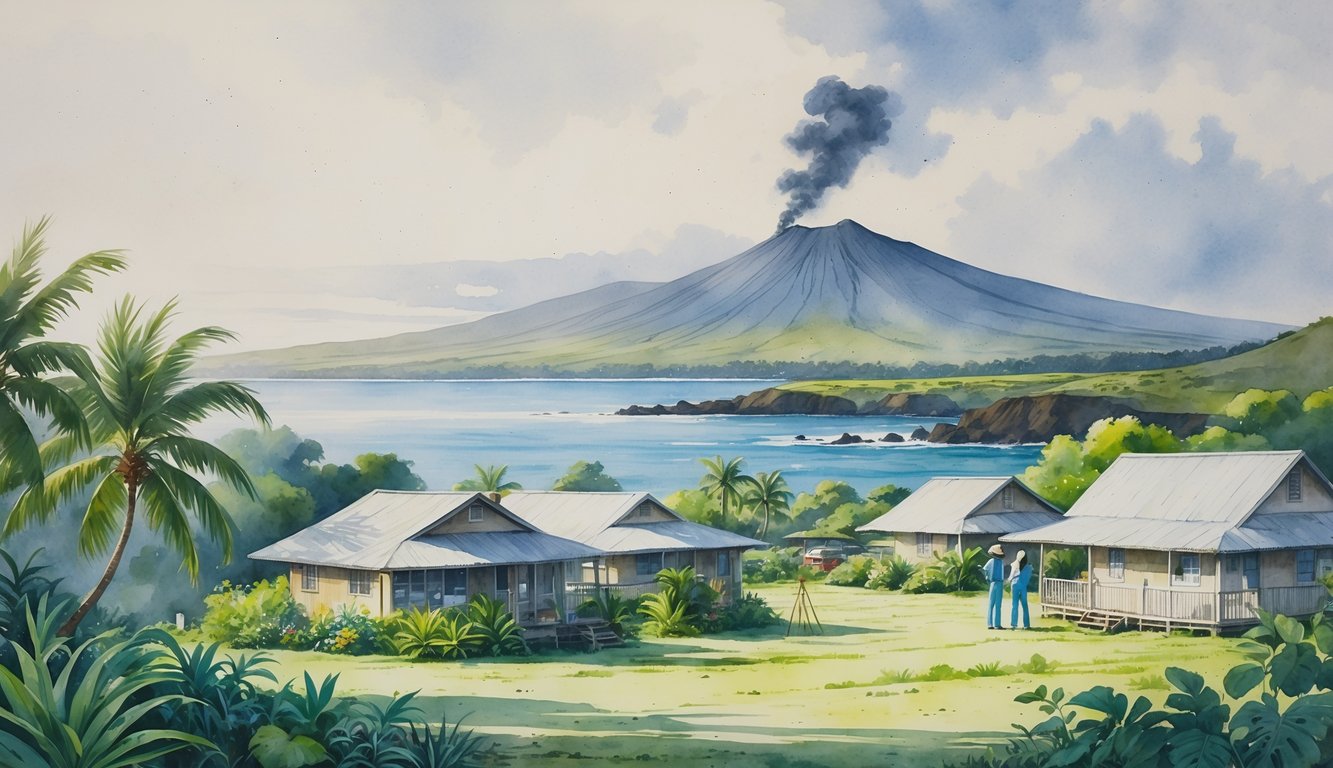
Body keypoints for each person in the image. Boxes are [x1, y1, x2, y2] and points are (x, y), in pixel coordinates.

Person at [983, 543, 1005, 629]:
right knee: (997, 605)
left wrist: (987, 577)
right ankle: (996, 624)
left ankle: (991, 624)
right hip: (999, 583)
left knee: (992, 604)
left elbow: (985, 569)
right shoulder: (1000, 562)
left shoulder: (991, 561)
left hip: (994, 583)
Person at [1009, 550, 1032, 630]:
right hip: (1023, 587)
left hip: (1015, 585)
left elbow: (1011, 576)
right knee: (1025, 605)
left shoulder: (1014, 565)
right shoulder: (1028, 567)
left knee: (1015, 605)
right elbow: (1028, 578)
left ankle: (1014, 624)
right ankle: (1026, 625)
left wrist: (1008, 582)